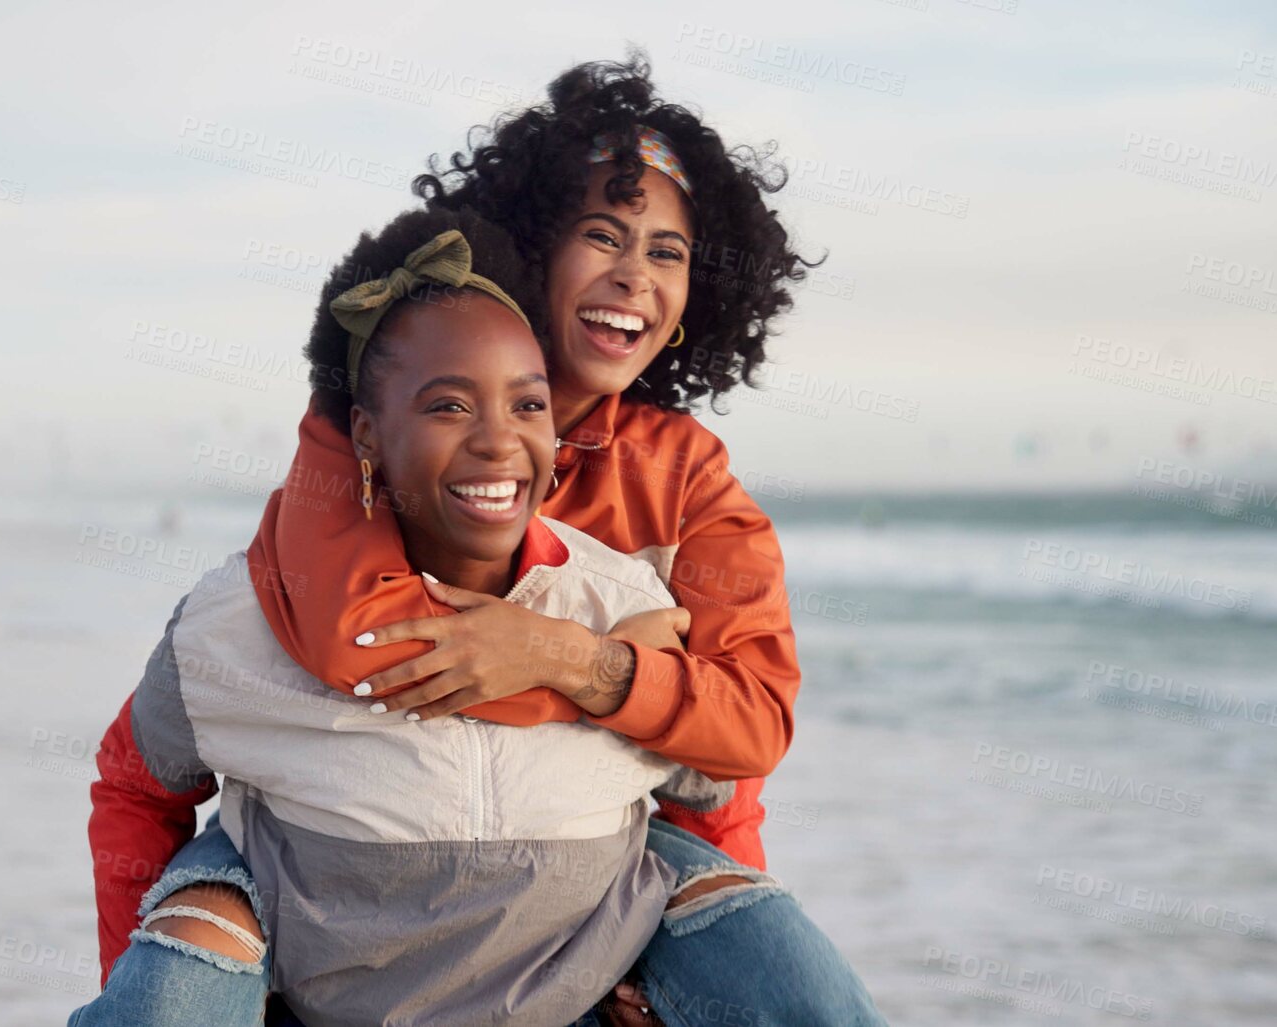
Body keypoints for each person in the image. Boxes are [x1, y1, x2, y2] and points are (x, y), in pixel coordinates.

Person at [91, 54, 880, 1026]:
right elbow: (353, 641)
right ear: (533, 249)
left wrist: (693, 973)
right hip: (336, 855)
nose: (634, 273)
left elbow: (735, 748)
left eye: (668, 253)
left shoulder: (691, 485)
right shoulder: (362, 420)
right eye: (602, 236)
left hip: (586, 860)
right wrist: (617, 668)